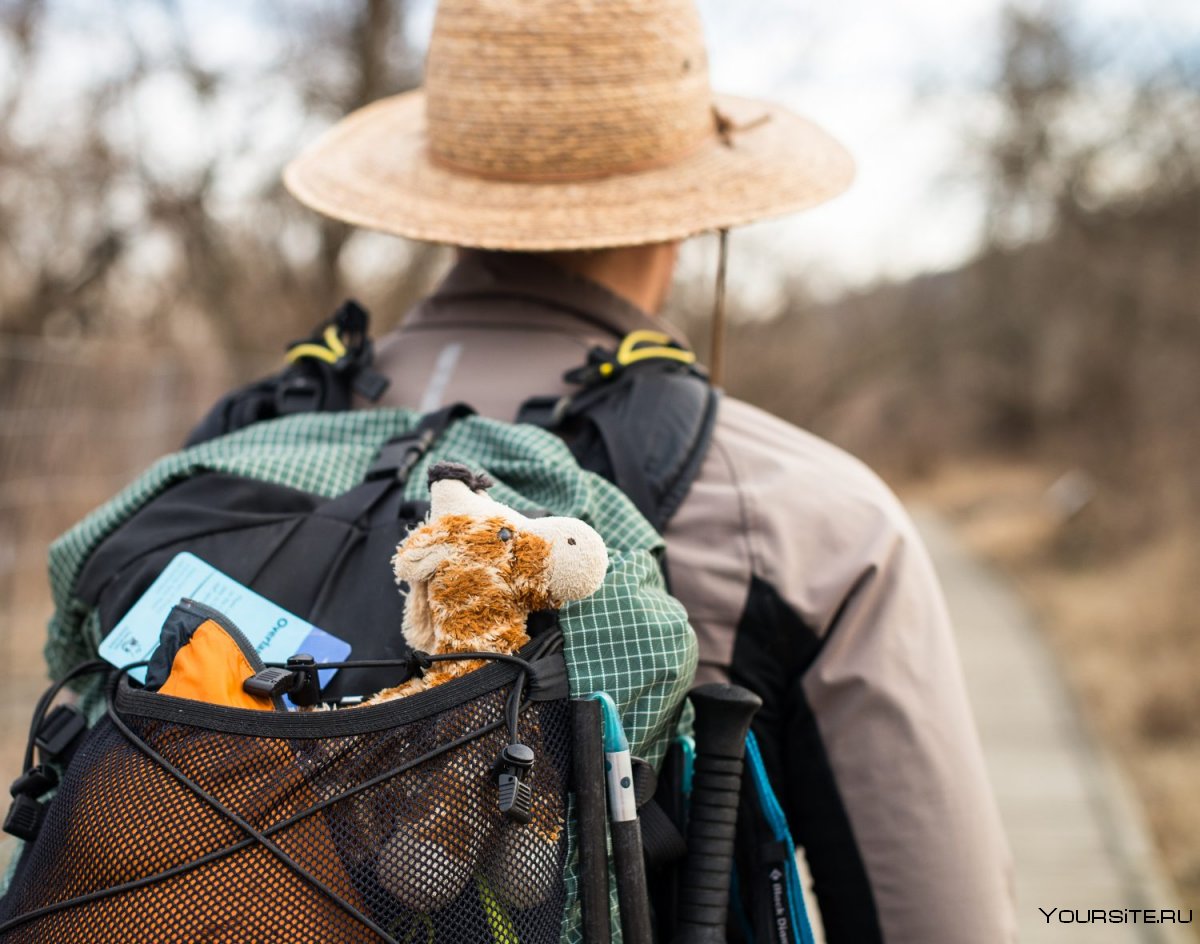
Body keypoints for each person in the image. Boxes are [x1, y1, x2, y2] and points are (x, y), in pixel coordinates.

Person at [283, 0, 1017, 940]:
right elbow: (941, 918)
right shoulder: (816, 519)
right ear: (686, 220)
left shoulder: (246, 441)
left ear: (440, 199)